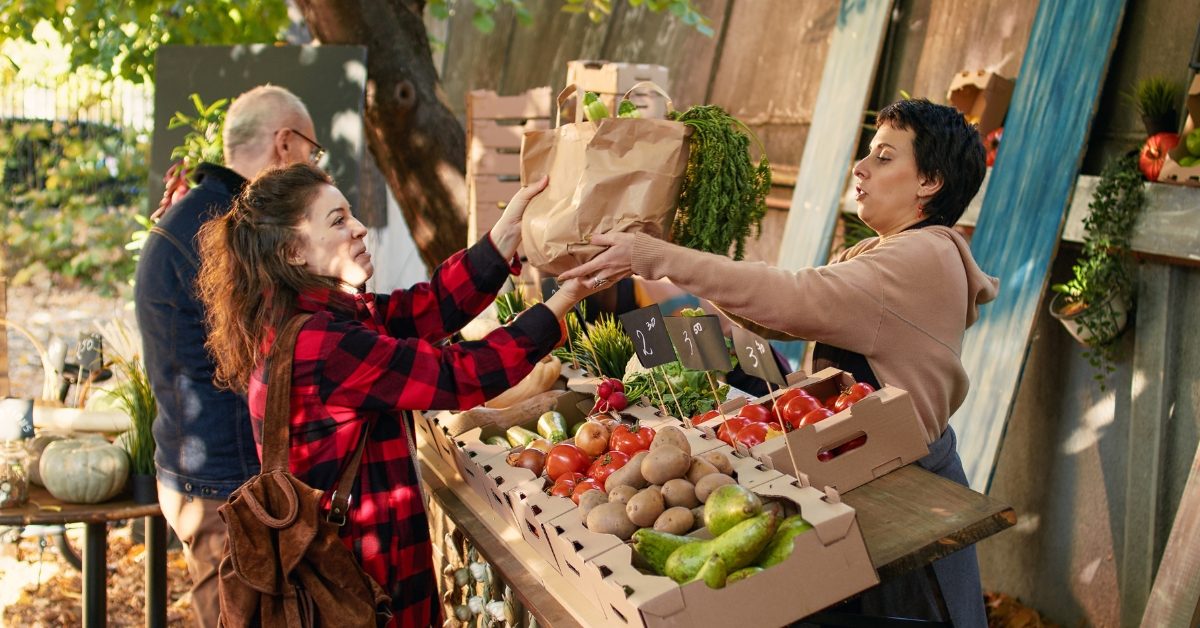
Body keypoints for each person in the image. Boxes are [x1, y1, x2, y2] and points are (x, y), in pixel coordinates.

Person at [561, 98, 999, 627]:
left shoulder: (920, 257)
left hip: (907, 494)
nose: (860, 168)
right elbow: (779, 317)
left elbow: (792, 297)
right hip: (869, 474)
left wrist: (662, 257)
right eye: (866, 153)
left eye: (884, 157)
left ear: (929, 180)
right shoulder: (885, 250)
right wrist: (681, 257)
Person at [195, 163, 608, 626]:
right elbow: (455, 376)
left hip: (358, 572)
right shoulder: (325, 346)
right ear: (293, 250)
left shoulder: (311, 320)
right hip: (368, 585)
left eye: (350, 215)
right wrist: (561, 302)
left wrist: (502, 239)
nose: (359, 228)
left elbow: (426, 309)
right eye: (337, 221)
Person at [134, 85, 326, 627]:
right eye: (312, 152)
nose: (312, 167)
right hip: (225, 484)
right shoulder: (228, 228)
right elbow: (282, 345)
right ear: (284, 143)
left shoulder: (201, 213)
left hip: (204, 473)